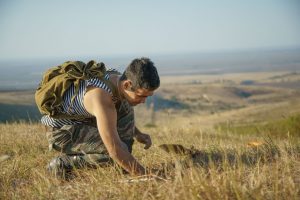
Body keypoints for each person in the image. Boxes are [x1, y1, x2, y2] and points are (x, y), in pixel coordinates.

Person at [41, 57, 160, 178]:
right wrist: (147, 176)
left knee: (126, 104)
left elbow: (119, 114)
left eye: (147, 97)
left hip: (84, 120)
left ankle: (124, 165)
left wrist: (137, 133)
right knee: (113, 153)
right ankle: (62, 164)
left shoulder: (117, 78)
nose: (144, 101)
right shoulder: (101, 97)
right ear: (127, 84)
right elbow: (115, 149)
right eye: (141, 96)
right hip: (61, 132)